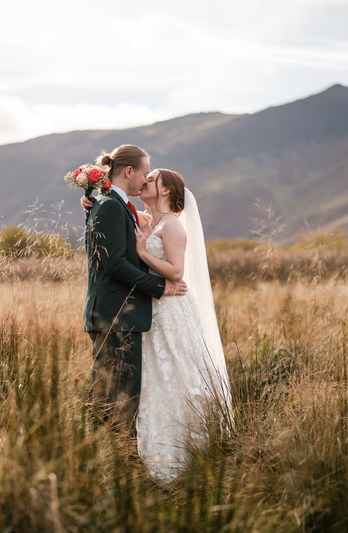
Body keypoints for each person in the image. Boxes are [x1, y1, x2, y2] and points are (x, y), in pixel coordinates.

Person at [133, 169, 233, 482]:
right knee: (158, 376)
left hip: (173, 309)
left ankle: (187, 454)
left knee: (177, 373)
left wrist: (140, 252)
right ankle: (158, 452)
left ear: (165, 190)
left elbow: (176, 272)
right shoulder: (150, 222)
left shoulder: (173, 225)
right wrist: (88, 198)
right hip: (155, 310)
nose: (145, 180)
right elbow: (113, 204)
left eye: (152, 178)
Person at [83, 145, 187, 435]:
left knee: (119, 395)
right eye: (144, 174)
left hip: (121, 316)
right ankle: (109, 460)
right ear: (129, 172)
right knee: (115, 398)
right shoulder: (108, 204)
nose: (145, 181)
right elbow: (114, 263)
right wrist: (160, 286)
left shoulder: (112, 204)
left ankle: (115, 455)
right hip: (114, 317)